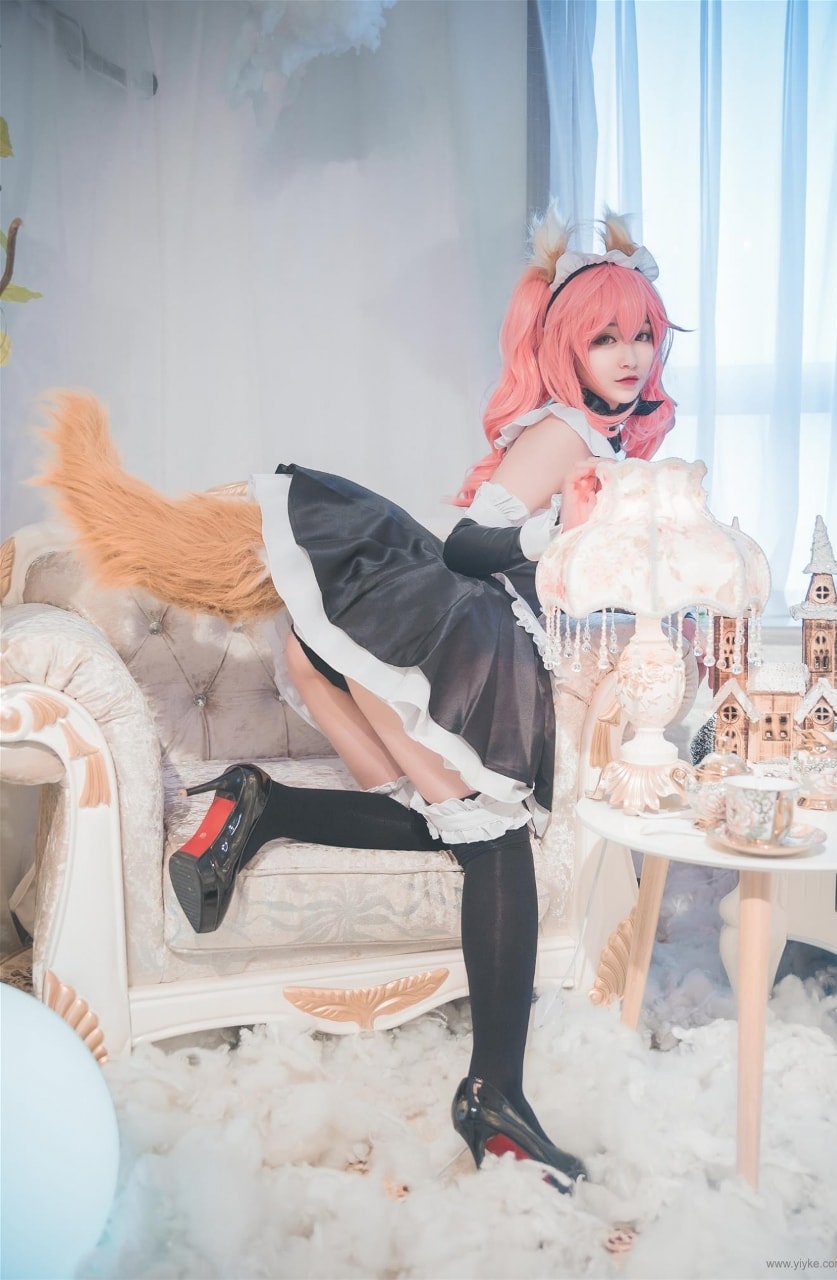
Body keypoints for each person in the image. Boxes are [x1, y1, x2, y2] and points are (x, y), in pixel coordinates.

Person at [36, 209, 676, 1192]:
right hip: (464, 636)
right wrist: (563, 548)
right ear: (565, 347)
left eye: (641, 333)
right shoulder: (564, 432)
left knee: (460, 827)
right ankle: (493, 1094)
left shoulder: (599, 437)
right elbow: (471, 541)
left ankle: (263, 803)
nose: (630, 354)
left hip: (487, 643)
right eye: (606, 336)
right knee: (494, 838)